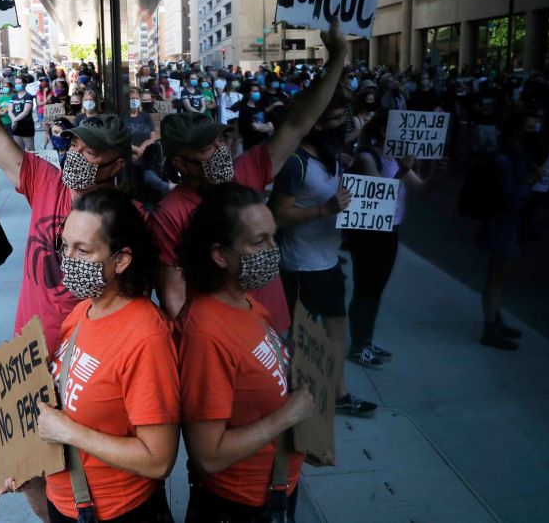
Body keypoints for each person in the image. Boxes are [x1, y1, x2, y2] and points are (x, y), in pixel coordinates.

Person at [0, 22, 131, 521]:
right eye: (77, 147)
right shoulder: (46, 181)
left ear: (116, 166)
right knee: (24, 469)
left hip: (87, 363)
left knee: (81, 468)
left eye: (93, 154)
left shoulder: (131, 220)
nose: (80, 157)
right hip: (29, 355)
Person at [151, 21, 348, 333]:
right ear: (181, 162)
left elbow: (298, 123)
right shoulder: (169, 215)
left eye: (220, 140)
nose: (220, 150)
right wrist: (207, 347)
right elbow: (174, 294)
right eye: (206, 147)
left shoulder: (246, 171)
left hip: (270, 328)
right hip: (222, 340)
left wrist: (337, 57)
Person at [3, 189, 179, 522]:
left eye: (82, 250)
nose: (66, 259)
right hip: (66, 502)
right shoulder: (82, 312)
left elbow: (158, 459)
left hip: (117, 511)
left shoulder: (147, 337)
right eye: (64, 246)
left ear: (122, 259)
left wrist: (68, 432)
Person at [178, 183, 315, 522]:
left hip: (276, 490)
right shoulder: (206, 333)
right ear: (221, 254)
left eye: (272, 236)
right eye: (258, 242)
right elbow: (208, 455)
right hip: (240, 507)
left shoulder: (249, 302)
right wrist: (288, 416)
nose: (273, 249)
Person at [268, 96, 377, 417]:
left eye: (344, 119)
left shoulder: (333, 157)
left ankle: (337, 393)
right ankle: (285, 394)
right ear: (314, 121)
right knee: (300, 334)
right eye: (333, 120)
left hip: (328, 261)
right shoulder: (294, 163)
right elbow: (278, 214)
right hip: (301, 264)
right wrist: (324, 210)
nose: (341, 127)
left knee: (333, 327)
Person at [345, 113, 444, 367]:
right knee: (365, 288)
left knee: (376, 289)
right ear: (380, 130)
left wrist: (434, 170)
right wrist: (403, 170)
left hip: (390, 230)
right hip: (369, 234)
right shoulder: (367, 158)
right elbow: (382, 195)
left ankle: (366, 339)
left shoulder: (397, 158)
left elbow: (420, 188)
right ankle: (358, 346)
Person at [477, 114, 532, 351]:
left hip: (502, 224)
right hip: (501, 225)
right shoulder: (506, 161)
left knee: (496, 277)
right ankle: (490, 326)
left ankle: (494, 320)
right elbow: (511, 197)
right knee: (496, 278)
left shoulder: (506, 159)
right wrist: (528, 183)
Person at [9, 76, 36, 151]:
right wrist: (14, 120)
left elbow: (25, 112)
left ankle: (32, 163)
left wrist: (14, 120)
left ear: (24, 84)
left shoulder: (28, 96)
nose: (17, 85)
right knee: (19, 149)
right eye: (16, 83)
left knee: (30, 148)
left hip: (26, 125)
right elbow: (10, 111)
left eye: (19, 83)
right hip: (16, 126)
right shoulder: (13, 97)